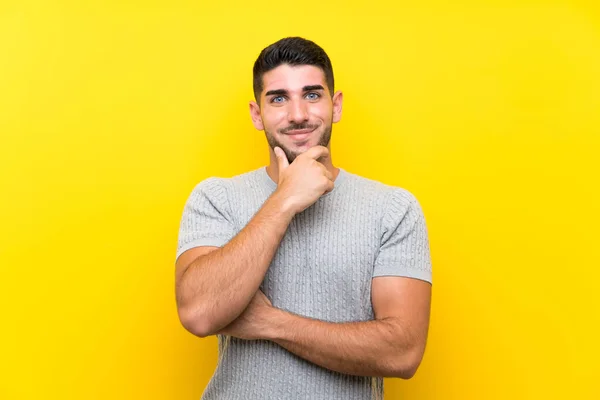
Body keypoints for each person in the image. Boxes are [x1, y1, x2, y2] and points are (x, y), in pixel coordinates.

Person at [174, 36, 432, 400]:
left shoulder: (393, 209)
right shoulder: (216, 199)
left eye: (312, 94)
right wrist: (284, 201)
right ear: (255, 113)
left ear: (336, 105)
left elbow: (402, 352)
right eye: (278, 98)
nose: (298, 114)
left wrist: (270, 322)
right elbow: (199, 313)